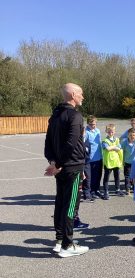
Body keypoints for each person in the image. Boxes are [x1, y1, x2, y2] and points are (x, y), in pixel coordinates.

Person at [44, 83, 89, 258]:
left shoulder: (55, 115)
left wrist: (54, 162)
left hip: (62, 167)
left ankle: (59, 240)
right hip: (72, 166)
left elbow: (48, 143)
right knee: (71, 205)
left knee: (61, 202)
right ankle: (67, 245)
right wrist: (58, 163)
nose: (83, 97)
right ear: (72, 95)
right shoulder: (75, 115)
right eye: (81, 94)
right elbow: (71, 144)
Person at [102, 124, 123, 200]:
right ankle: (106, 192)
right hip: (108, 162)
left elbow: (119, 148)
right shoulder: (105, 140)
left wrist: (113, 148)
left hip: (116, 161)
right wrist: (114, 147)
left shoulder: (117, 139)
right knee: (106, 177)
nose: (111, 133)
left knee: (117, 176)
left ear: (114, 131)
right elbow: (107, 148)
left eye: (112, 132)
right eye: (109, 132)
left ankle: (117, 189)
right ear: (106, 131)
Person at [84, 115, 103, 200]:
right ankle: (90, 191)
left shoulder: (98, 131)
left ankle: (96, 190)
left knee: (98, 175)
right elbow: (84, 145)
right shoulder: (86, 132)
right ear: (88, 123)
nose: (93, 126)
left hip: (99, 157)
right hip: (90, 158)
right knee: (90, 177)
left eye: (94, 124)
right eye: (91, 124)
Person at [121, 128, 135, 194]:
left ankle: (134, 188)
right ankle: (127, 188)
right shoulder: (124, 142)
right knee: (127, 176)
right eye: (130, 135)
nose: (132, 137)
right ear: (128, 135)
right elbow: (121, 151)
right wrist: (122, 161)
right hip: (127, 162)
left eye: (134, 135)